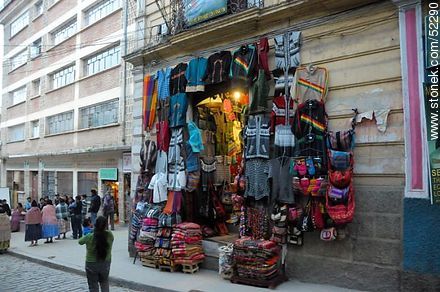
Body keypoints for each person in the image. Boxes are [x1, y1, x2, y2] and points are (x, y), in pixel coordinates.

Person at [79, 216, 114, 292]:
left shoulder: (89, 236)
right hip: (105, 262)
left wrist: (91, 231)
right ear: (106, 225)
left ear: (95, 225)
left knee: (93, 286)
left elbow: (80, 242)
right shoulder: (109, 235)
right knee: (104, 283)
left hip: (91, 263)